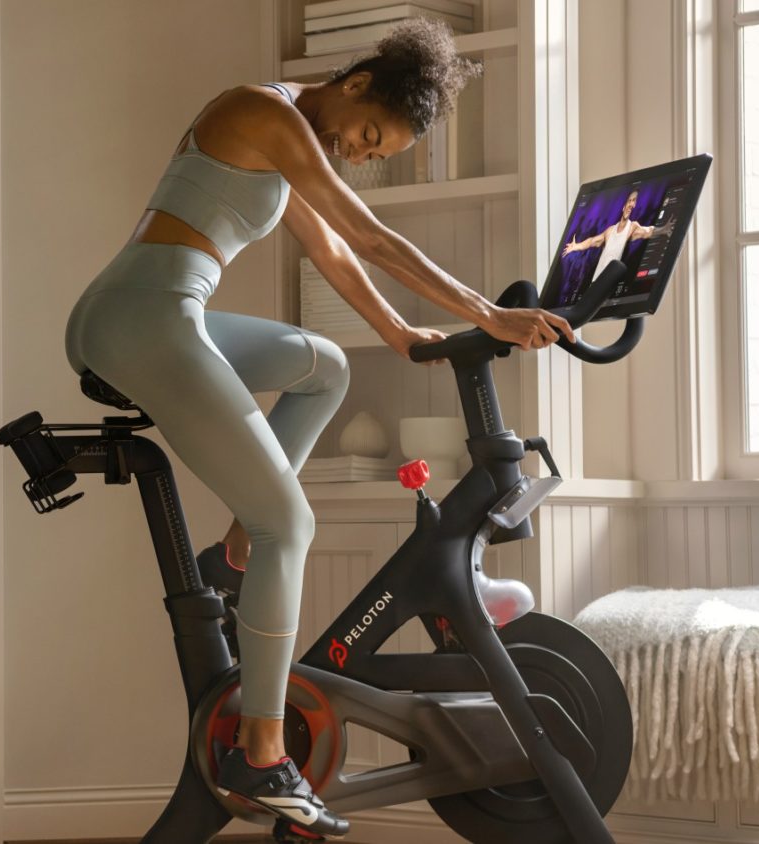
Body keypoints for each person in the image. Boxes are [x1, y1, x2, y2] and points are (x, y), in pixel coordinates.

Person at [64, 18, 574, 839]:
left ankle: (236, 553)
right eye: (369, 134)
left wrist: (403, 334)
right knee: (291, 523)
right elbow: (372, 236)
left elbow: (337, 252)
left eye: (378, 154)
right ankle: (260, 756)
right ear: (358, 81)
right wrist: (490, 313)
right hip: (138, 317)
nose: (362, 154)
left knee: (324, 366)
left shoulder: (290, 140)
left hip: (165, 310)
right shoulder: (262, 113)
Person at [561, 189, 674, 281]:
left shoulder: (632, 227)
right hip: (596, 282)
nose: (631, 205)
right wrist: (576, 246)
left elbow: (647, 231)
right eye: (629, 201)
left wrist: (663, 229)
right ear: (623, 207)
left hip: (610, 282)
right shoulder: (610, 230)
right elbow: (592, 241)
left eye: (634, 201)